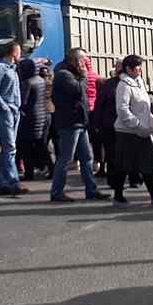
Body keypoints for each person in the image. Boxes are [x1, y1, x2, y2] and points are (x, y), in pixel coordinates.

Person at [49, 48, 108, 202]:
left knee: (87, 157)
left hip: (79, 122)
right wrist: (83, 76)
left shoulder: (72, 74)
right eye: (83, 60)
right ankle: (56, 192)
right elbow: (77, 91)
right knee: (66, 158)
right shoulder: (64, 75)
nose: (85, 64)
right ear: (76, 60)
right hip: (70, 123)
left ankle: (91, 190)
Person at [111, 54, 153, 205]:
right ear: (128, 69)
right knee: (125, 165)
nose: (140, 69)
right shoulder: (123, 85)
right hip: (128, 132)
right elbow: (122, 109)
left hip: (142, 131)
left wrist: (149, 123)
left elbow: (145, 105)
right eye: (137, 67)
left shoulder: (139, 82)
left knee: (146, 164)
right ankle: (118, 196)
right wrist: (137, 125)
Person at [0, 41, 28, 197]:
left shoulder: (13, 69)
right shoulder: (0, 68)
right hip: (6, 112)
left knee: (9, 150)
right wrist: (4, 106)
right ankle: (13, 182)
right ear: (13, 52)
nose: (20, 54)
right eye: (19, 51)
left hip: (15, 111)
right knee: (10, 147)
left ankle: (2, 184)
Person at [17, 58, 50, 181]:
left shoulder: (28, 83)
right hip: (42, 115)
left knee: (26, 146)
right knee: (41, 145)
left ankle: (29, 173)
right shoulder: (41, 80)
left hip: (30, 117)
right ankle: (51, 168)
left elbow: (23, 101)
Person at [93, 63, 121, 183]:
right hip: (112, 123)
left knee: (112, 151)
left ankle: (115, 177)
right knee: (112, 152)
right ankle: (114, 178)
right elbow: (100, 104)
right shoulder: (110, 85)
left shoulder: (110, 84)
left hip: (113, 123)